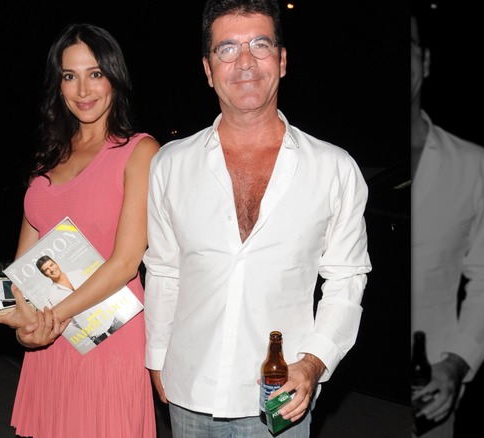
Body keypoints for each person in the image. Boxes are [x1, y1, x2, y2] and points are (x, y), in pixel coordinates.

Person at [143, 0, 371, 437]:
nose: (245, 62)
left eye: (260, 45)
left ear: (282, 61)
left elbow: (347, 279)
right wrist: (157, 357)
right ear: (208, 70)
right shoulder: (170, 164)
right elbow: (164, 269)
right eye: (227, 49)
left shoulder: (334, 168)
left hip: (282, 399)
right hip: (189, 389)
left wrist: (312, 363)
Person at [0, 22, 160, 437]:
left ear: (115, 78)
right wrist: (24, 324)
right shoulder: (47, 158)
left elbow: (124, 263)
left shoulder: (140, 151)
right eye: (70, 76)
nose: (83, 89)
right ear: (58, 85)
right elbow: (24, 266)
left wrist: (54, 316)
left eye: (95, 73)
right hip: (51, 336)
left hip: (108, 334)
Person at [410, 3, 484, 436]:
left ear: (427, 61)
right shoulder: (341, 165)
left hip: (432, 389)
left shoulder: (477, 168)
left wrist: (456, 364)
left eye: (410, 45)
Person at [36, 255, 120, 344]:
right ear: (44, 274)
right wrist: (82, 325)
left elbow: (98, 288)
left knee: (128, 338)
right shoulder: (52, 295)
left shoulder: (78, 273)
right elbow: (66, 318)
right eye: (47, 269)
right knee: (107, 352)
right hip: (92, 331)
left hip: (109, 315)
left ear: (56, 263)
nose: (52, 269)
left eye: (51, 265)